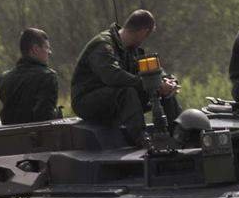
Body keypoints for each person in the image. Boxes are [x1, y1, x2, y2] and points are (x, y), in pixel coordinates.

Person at [72, 9, 181, 147]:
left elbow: (150, 71)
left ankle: (178, 134)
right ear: (143, 32)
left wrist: (167, 82)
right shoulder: (103, 45)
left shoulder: (131, 49)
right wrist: (153, 85)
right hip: (87, 100)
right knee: (127, 92)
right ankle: (142, 139)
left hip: (114, 98)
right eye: (146, 36)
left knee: (164, 92)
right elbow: (112, 76)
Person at [0, 27, 61, 124]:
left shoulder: (3, 79)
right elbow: (45, 118)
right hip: (37, 137)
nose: (49, 52)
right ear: (35, 49)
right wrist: (58, 114)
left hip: (9, 138)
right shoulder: (48, 77)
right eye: (46, 47)